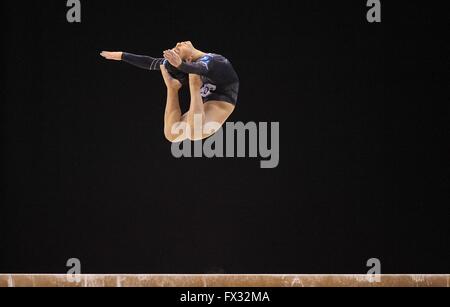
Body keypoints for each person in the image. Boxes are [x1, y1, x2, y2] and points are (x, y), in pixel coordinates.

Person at [100, 41, 239, 142]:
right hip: (206, 101)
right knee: (171, 135)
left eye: (176, 48)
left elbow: (203, 68)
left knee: (190, 133)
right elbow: (152, 62)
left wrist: (181, 66)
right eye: (176, 50)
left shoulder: (217, 61)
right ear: (188, 59)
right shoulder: (192, 64)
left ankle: (189, 85)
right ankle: (173, 88)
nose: (177, 44)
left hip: (218, 103)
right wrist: (122, 56)